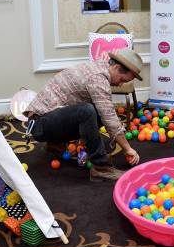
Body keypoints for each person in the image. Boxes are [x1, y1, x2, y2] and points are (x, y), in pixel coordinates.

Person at [24, 49, 142, 181]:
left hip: (48, 119)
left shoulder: (101, 67)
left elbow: (106, 111)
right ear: (116, 67)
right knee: (87, 111)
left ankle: (55, 145)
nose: (120, 84)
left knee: (98, 109)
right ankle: (101, 168)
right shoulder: (97, 78)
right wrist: (127, 149)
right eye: (122, 80)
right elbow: (109, 117)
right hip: (40, 125)